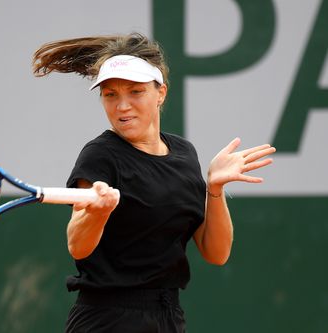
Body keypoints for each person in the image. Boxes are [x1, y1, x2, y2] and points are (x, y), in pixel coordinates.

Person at [32, 33, 276, 333]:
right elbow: (78, 246)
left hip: (168, 318)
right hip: (107, 320)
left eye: (135, 92)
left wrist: (214, 189)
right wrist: (100, 211)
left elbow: (216, 253)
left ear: (161, 93)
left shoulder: (185, 153)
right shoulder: (99, 156)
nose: (122, 106)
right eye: (110, 94)